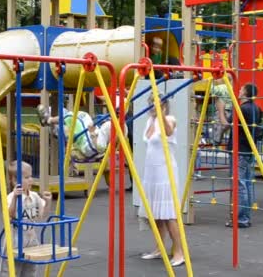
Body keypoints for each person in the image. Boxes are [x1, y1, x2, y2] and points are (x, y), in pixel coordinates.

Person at [138, 95, 184, 267]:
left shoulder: (170, 119)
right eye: (150, 103)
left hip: (166, 171)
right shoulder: (150, 121)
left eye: (155, 103)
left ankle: (179, 251)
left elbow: (168, 132)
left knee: (169, 214)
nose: (151, 107)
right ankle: (159, 248)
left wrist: (161, 113)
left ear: (164, 105)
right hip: (152, 171)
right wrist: (155, 114)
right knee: (155, 214)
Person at [0, 161, 52, 277]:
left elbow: (42, 215)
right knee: (11, 271)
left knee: (30, 271)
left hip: (31, 240)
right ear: (14, 181)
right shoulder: (11, 197)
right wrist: (15, 198)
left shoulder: (34, 196)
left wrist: (48, 202)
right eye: (27, 177)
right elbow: (10, 215)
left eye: (31, 176)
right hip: (15, 241)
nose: (31, 180)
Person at [225, 83, 262, 229]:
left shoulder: (241, 109)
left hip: (239, 148)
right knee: (246, 183)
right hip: (248, 148)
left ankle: (241, 218)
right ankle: (245, 216)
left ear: (245, 93)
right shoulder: (257, 109)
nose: (239, 91)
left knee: (240, 184)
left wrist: (221, 109)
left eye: (241, 89)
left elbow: (225, 124)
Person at [36, 104, 128, 162]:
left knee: (75, 116)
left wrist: (93, 133)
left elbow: (100, 147)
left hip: (88, 144)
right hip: (89, 144)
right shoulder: (119, 128)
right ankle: (55, 128)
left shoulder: (111, 128)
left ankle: (48, 120)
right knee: (73, 118)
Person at [210, 73, 233, 146]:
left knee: (217, 125)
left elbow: (212, 91)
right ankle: (220, 138)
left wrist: (212, 83)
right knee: (223, 127)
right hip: (230, 110)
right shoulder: (232, 88)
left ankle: (216, 140)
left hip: (221, 109)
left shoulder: (221, 87)